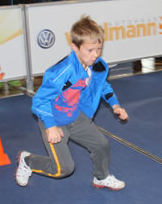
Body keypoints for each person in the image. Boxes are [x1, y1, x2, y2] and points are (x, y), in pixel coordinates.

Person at [15, 16, 129, 190]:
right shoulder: (63, 71)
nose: (96, 55)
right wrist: (51, 126)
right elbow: (39, 100)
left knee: (101, 145)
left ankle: (101, 177)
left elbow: (102, 85)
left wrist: (115, 105)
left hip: (76, 116)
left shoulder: (95, 65)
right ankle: (27, 160)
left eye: (99, 49)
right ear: (75, 47)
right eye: (90, 50)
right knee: (63, 169)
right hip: (54, 120)